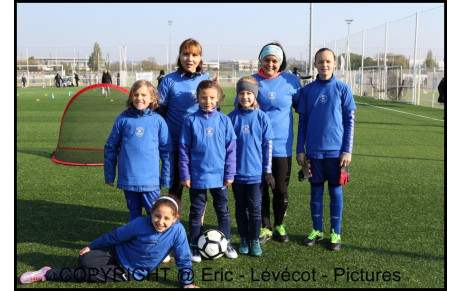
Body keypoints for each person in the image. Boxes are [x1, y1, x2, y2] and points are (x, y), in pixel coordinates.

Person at [19, 196, 198, 288]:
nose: (160, 221)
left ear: (175, 219)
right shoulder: (139, 224)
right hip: (117, 252)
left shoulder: (178, 231)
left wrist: (187, 283)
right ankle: (92, 258)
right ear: (151, 213)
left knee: (90, 275)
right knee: (84, 260)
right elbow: (115, 236)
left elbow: (183, 258)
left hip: (131, 271)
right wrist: (91, 246)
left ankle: (46, 273)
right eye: (157, 216)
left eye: (167, 218)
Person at [295, 48, 356, 251]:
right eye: (320, 62)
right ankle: (317, 231)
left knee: (335, 192)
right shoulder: (308, 90)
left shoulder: (343, 88)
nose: (324, 65)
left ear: (335, 63)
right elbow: (302, 121)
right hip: (313, 152)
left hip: (336, 154)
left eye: (328, 61)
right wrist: (300, 149)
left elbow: (350, 121)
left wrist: (347, 150)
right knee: (315, 194)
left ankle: (335, 233)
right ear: (315, 65)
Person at [242, 42, 302, 244]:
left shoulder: (291, 81)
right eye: (266, 60)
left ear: (281, 62)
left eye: (274, 60)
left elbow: (302, 109)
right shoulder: (252, 81)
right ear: (261, 60)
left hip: (282, 145)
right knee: (259, 189)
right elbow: (241, 111)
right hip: (255, 146)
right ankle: (264, 227)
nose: (270, 64)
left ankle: (279, 225)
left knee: (281, 190)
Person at [178, 80, 237, 262]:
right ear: (198, 98)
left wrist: (230, 173)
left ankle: (225, 241)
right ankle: (195, 244)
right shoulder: (190, 121)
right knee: (196, 211)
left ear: (218, 97)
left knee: (222, 210)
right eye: (203, 97)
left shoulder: (224, 120)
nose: (208, 101)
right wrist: (185, 175)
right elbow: (184, 150)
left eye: (212, 97)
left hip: (219, 177)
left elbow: (231, 150)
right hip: (197, 176)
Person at [104, 80, 174, 222]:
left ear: (152, 98)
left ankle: (154, 242)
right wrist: (110, 175)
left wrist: (166, 178)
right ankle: (135, 241)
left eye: (144, 95)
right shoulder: (122, 120)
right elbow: (110, 147)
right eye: (136, 94)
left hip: (150, 181)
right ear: (131, 97)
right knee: (134, 213)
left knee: (154, 214)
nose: (139, 98)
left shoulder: (158, 121)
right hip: (128, 179)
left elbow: (167, 152)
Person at [157, 38, 213, 214]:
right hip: (174, 143)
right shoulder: (168, 80)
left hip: (199, 145)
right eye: (186, 54)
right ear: (179, 56)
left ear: (200, 58)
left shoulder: (206, 79)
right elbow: (159, 114)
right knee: (175, 188)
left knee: (199, 189)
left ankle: (198, 226)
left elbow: (213, 113)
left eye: (194, 55)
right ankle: (173, 223)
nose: (190, 59)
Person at [228, 76, 274, 256]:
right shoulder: (231, 118)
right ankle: (244, 238)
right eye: (241, 93)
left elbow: (267, 146)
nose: (245, 97)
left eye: (249, 93)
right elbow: (226, 148)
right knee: (240, 208)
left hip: (255, 175)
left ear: (255, 96)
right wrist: (227, 171)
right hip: (236, 174)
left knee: (255, 209)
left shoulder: (262, 118)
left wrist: (267, 171)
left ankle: (255, 239)